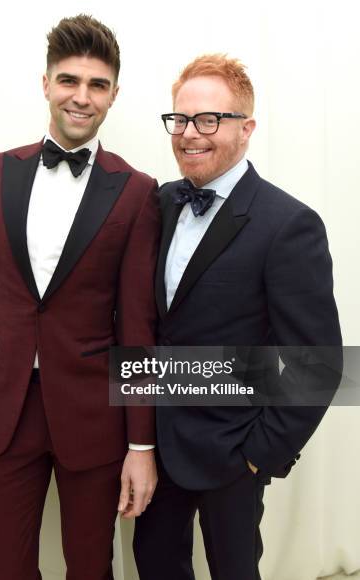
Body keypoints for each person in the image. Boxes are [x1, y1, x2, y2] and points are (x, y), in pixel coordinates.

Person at [0, 14, 159, 580]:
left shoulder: (137, 192)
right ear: (46, 83)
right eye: (69, 80)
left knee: (91, 568)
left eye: (97, 85)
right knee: (4, 569)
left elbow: (137, 325)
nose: (81, 97)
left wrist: (140, 442)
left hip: (93, 415)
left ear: (113, 95)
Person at [133, 54, 342, 580]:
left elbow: (317, 364)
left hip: (233, 452)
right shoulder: (160, 203)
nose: (188, 133)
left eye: (208, 120)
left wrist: (257, 455)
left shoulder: (288, 224)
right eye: (179, 119)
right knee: (154, 564)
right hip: (157, 442)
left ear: (246, 129)